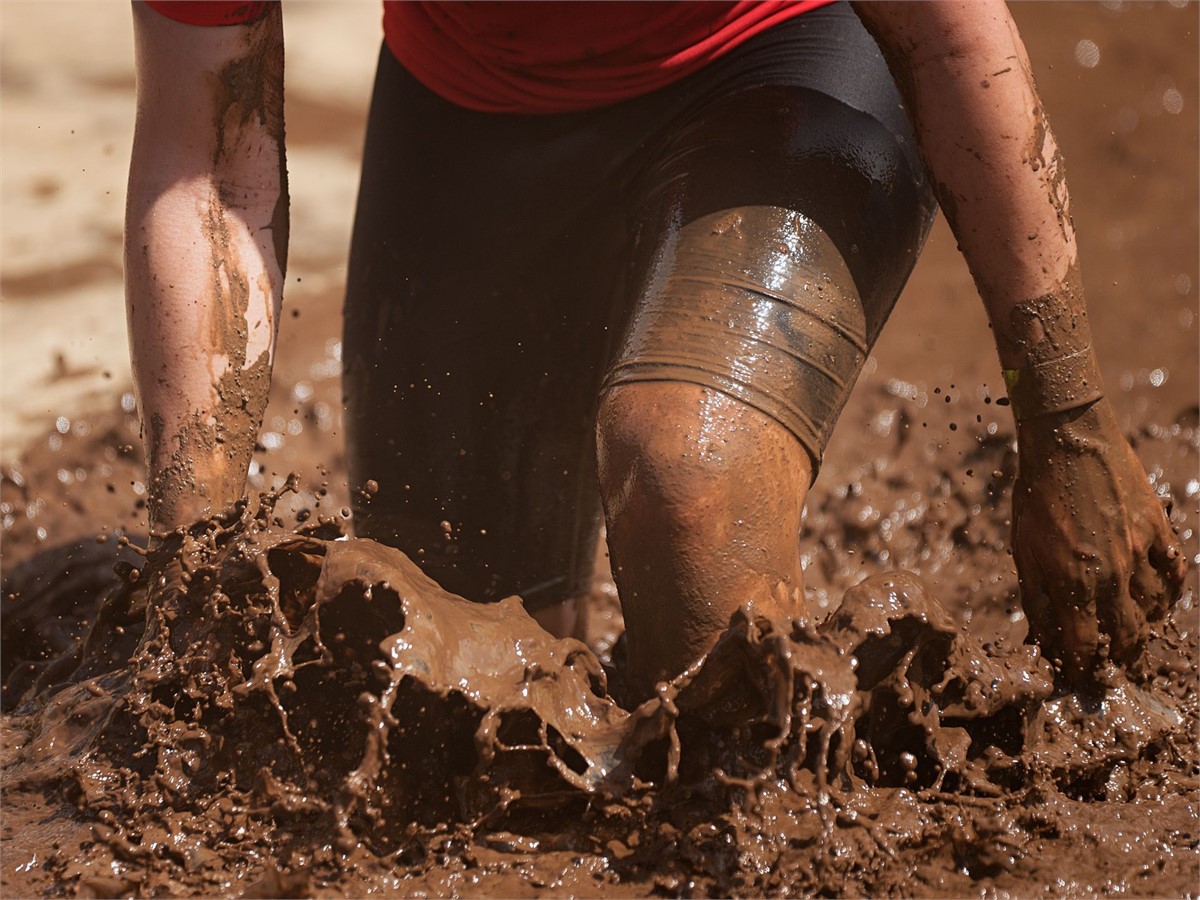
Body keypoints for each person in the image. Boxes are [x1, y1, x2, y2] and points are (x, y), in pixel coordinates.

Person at [127, 0, 1186, 703]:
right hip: (473, 108)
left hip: (783, 62)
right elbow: (209, 167)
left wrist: (1068, 425)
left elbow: (950, 37)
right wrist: (193, 552)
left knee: (688, 481)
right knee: (435, 676)